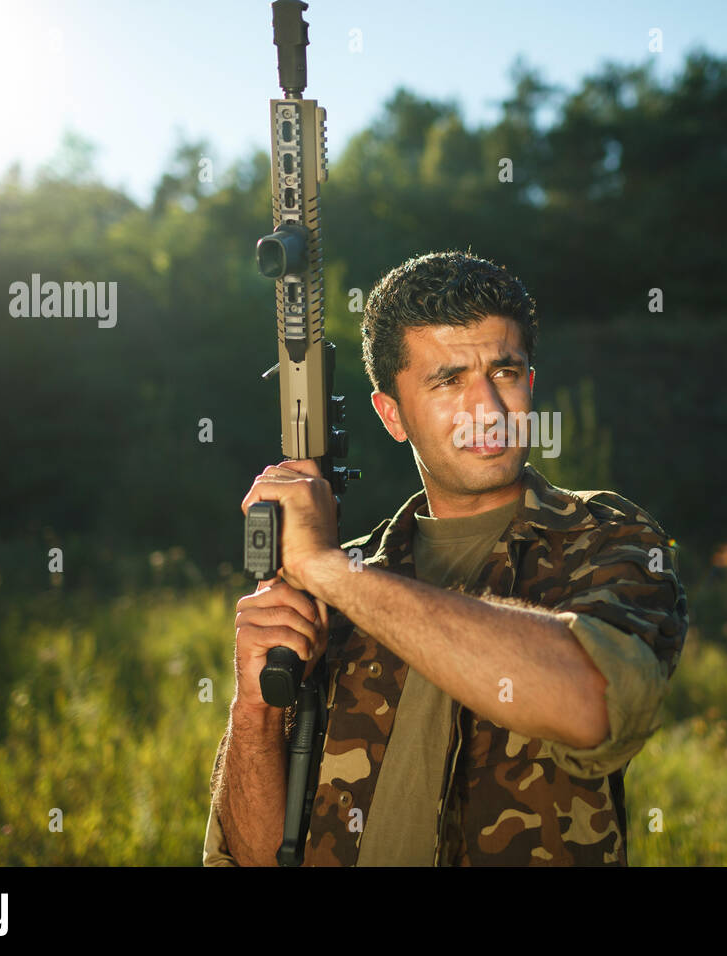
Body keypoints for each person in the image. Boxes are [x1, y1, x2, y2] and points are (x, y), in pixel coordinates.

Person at [203, 250, 689, 866]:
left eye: (505, 372)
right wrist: (255, 711)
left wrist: (326, 568)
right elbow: (250, 858)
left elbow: (596, 703)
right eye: (448, 380)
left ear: (530, 383)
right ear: (391, 415)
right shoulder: (341, 584)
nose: (487, 409)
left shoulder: (604, 537)